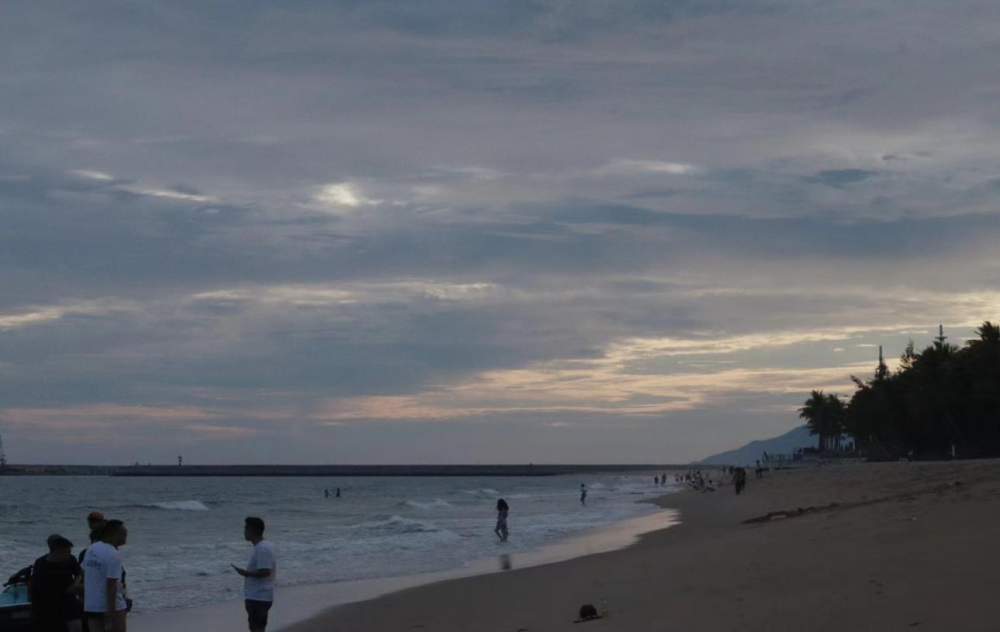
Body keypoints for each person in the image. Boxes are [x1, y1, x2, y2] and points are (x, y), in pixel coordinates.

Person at [82, 520, 128, 632]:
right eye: (123, 532)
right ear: (113, 533)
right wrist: (109, 613)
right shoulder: (113, 554)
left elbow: (84, 573)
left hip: (92, 605)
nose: (126, 534)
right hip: (112, 607)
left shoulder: (91, 549)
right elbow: (111, 585)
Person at [30, 534, 82, 632]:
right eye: (68, 552)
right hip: (48, 605)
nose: (69, 555)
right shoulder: (41, 564)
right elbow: (35, 588)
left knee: (76, 628)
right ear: (58, 550)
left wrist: (76, 584)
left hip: (68, 601)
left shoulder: (70, 559)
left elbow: (78, 574)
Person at [232, 517, 276, 632]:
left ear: (253, 530)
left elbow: (265, 571)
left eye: (246, 529)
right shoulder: (263, 546)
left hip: (258, 597)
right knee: (258, 627)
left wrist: (246, 573)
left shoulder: (262, 549)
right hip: (261, 596)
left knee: (256, 628)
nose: (244, 532)